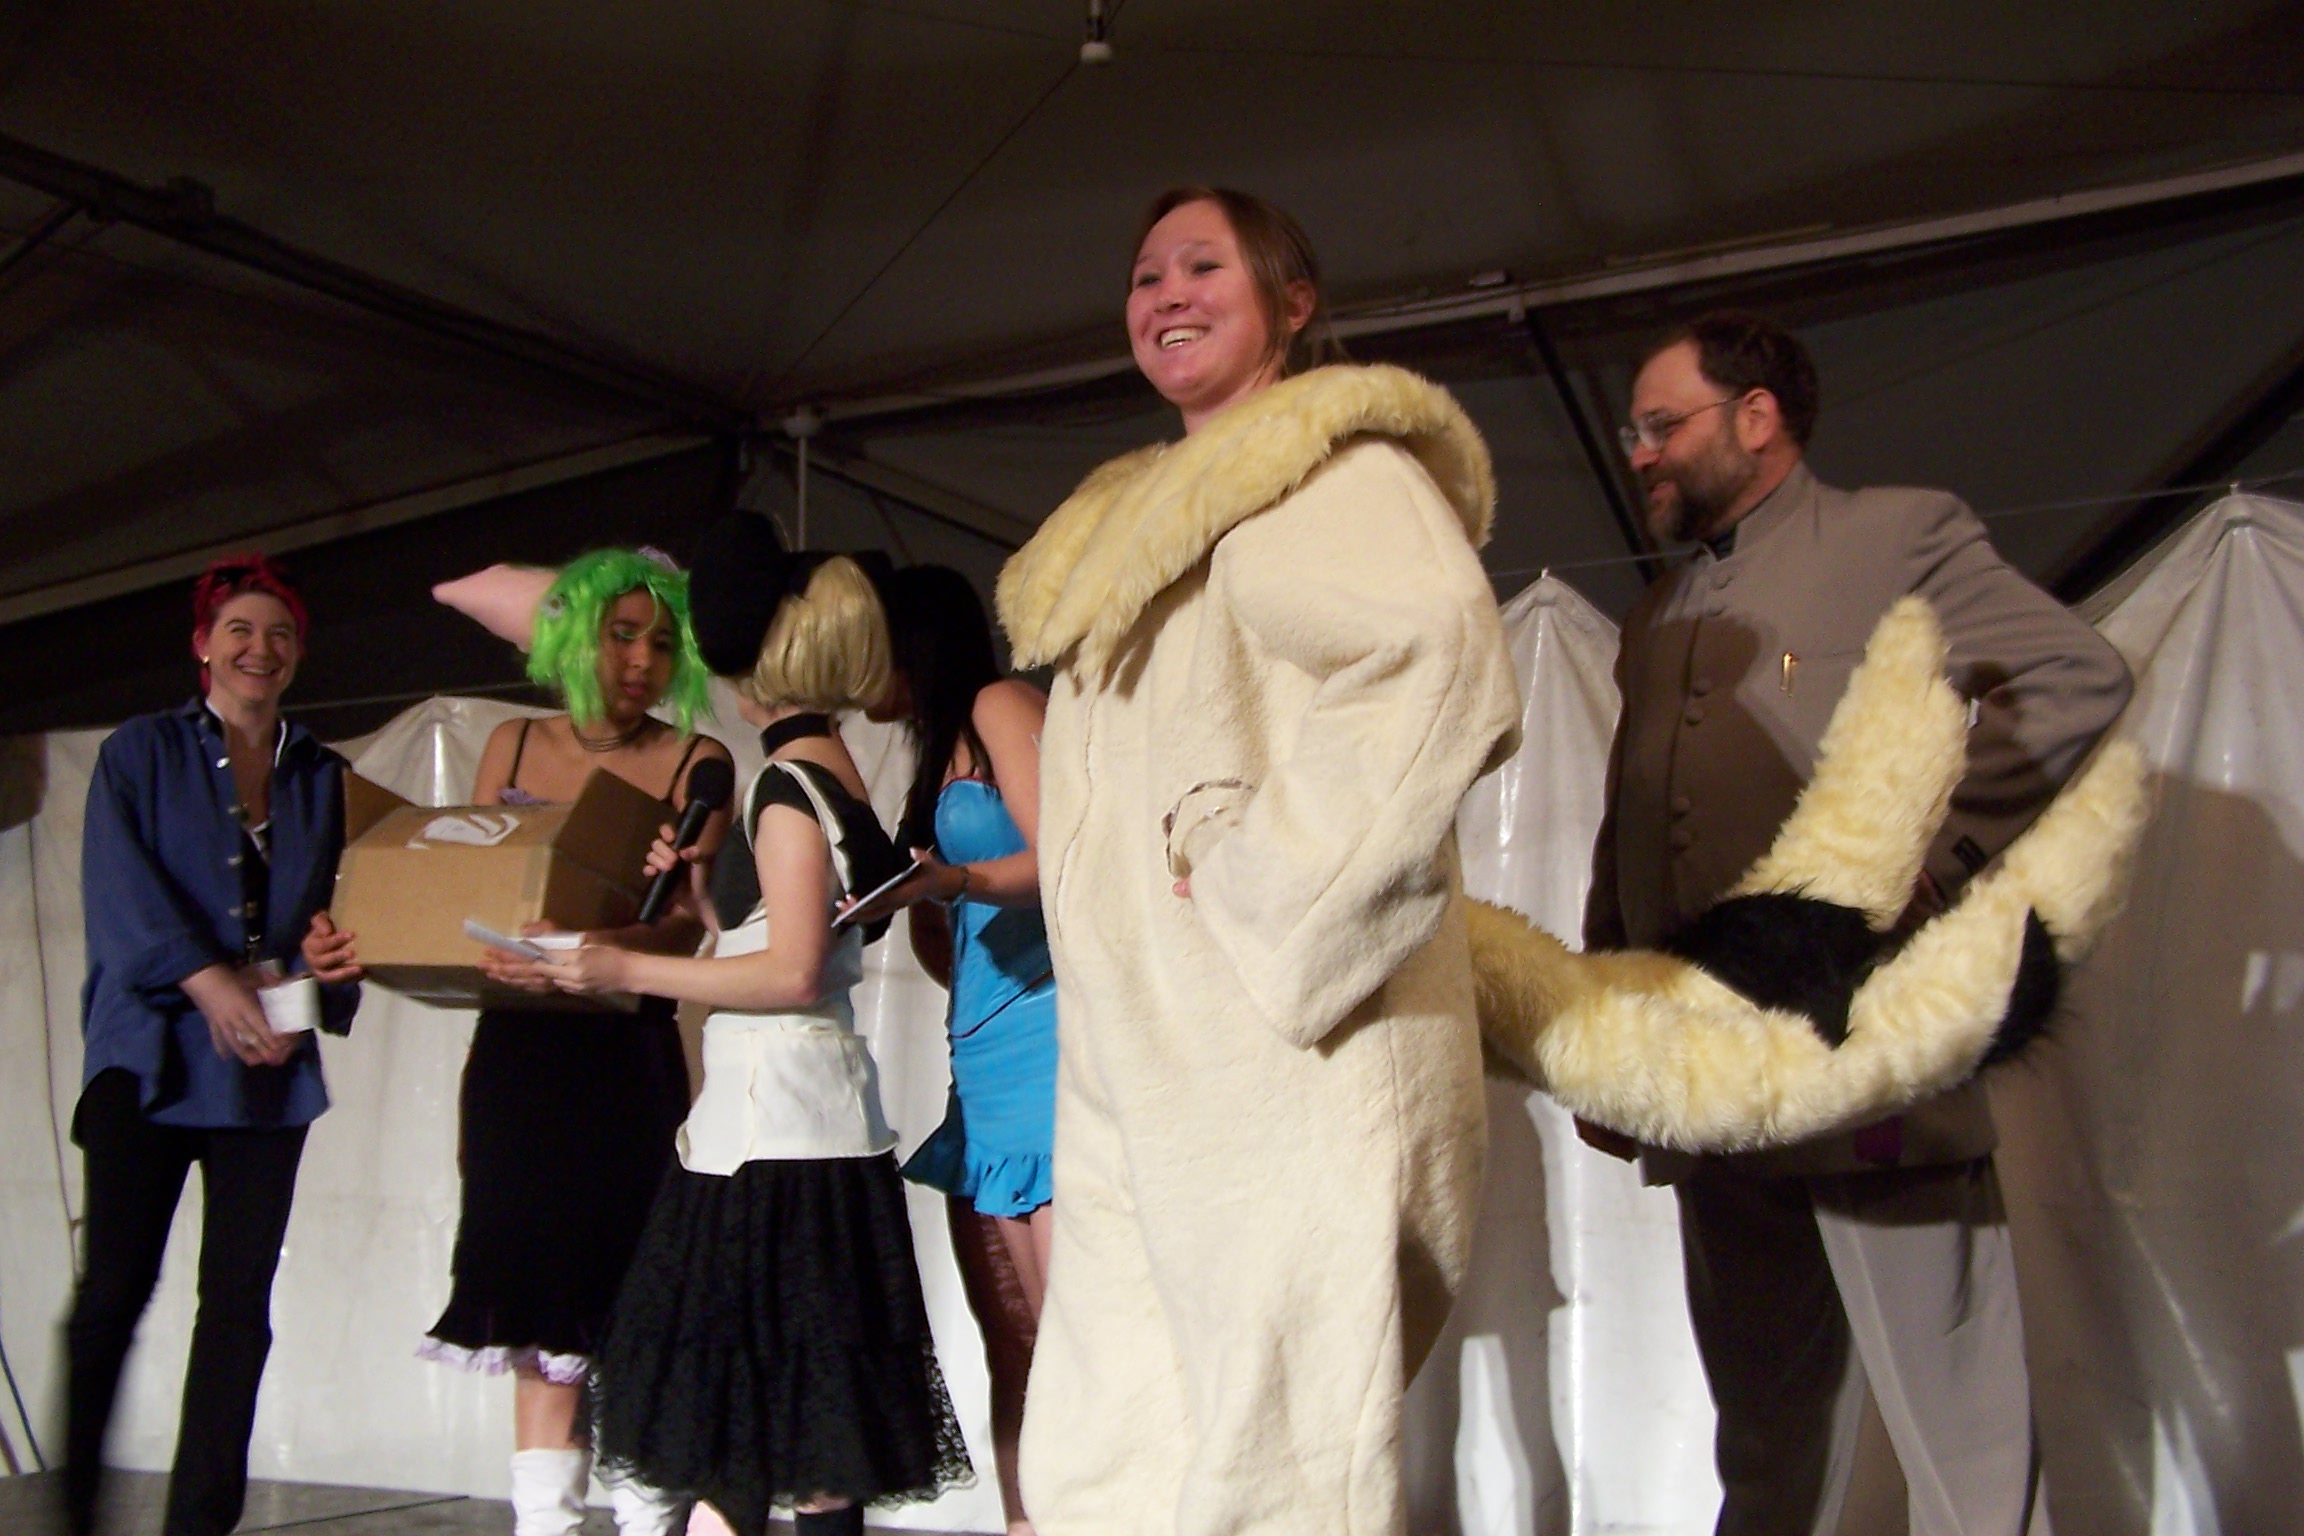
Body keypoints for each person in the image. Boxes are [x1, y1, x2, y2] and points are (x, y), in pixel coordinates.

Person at [992, 187, 1522, 1536]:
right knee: (1120, 1423)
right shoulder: (1144, 529)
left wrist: (1262, 887)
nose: (1166, 294)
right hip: (1145, 1053)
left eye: (1202, 266)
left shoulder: (1330, 472)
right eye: (1144, 275)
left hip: (1281, 1056)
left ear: (1293, 303)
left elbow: (1433, 665)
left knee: (1277, 1450)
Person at [1584, 310, 2134, 1536]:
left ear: (1757, 418)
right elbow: (1631, 828)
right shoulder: (1657, 615)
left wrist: (1928, 865)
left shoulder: (1899, 534)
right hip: (1712, 1079)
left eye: (1662, 424)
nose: (1642, 452)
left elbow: (2075, 676)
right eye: (1633, 432)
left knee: (1966, 1444)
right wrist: (1605, 1022)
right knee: (1767, 1447)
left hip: (1868, 1056)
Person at [544, 515, 971, 1536]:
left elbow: (792, 969)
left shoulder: (786, 785)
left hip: (769, 1136)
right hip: (806, 1124)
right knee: (803, 1423)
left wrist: (621, 964)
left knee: (741, 1422)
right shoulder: (830, 766)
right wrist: (705, 898)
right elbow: (800, 937)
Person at [304, 547, 729, 1536]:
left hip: (624, 1055)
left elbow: (686, 929)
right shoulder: (512, 741)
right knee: (535, 1304)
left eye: (663, 643)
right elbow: (474, 882)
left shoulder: (696, 760)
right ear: (575, 639)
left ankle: (648, 1516)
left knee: (634, 1292)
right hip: (517, 1054)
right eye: (622, 636)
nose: (642, 660)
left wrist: (598, 950)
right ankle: (546, 1522)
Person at [64, 554, 358, 1536]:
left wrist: (308, 987)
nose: (258, 648)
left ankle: (200, 1523)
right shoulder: (140, 751)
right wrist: (208, 979)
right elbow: (119, 891)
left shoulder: (324, 776)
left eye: (278, 634)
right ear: (202, 645)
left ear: (298, 653)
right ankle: (74, 1509)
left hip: (267, 1072)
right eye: (239, 629)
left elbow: (335, 924)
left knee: (236, 1308)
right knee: (112, 1293)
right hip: (146, 1058)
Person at [850, 563, 1055, 1536]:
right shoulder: (932, 754)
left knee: (1074, 1339)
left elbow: (1066, 856)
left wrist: (956, 881)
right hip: (981, 1061)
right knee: (1012, 1343)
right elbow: (951, 930)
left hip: (1052, 1046)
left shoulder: (999, 705)